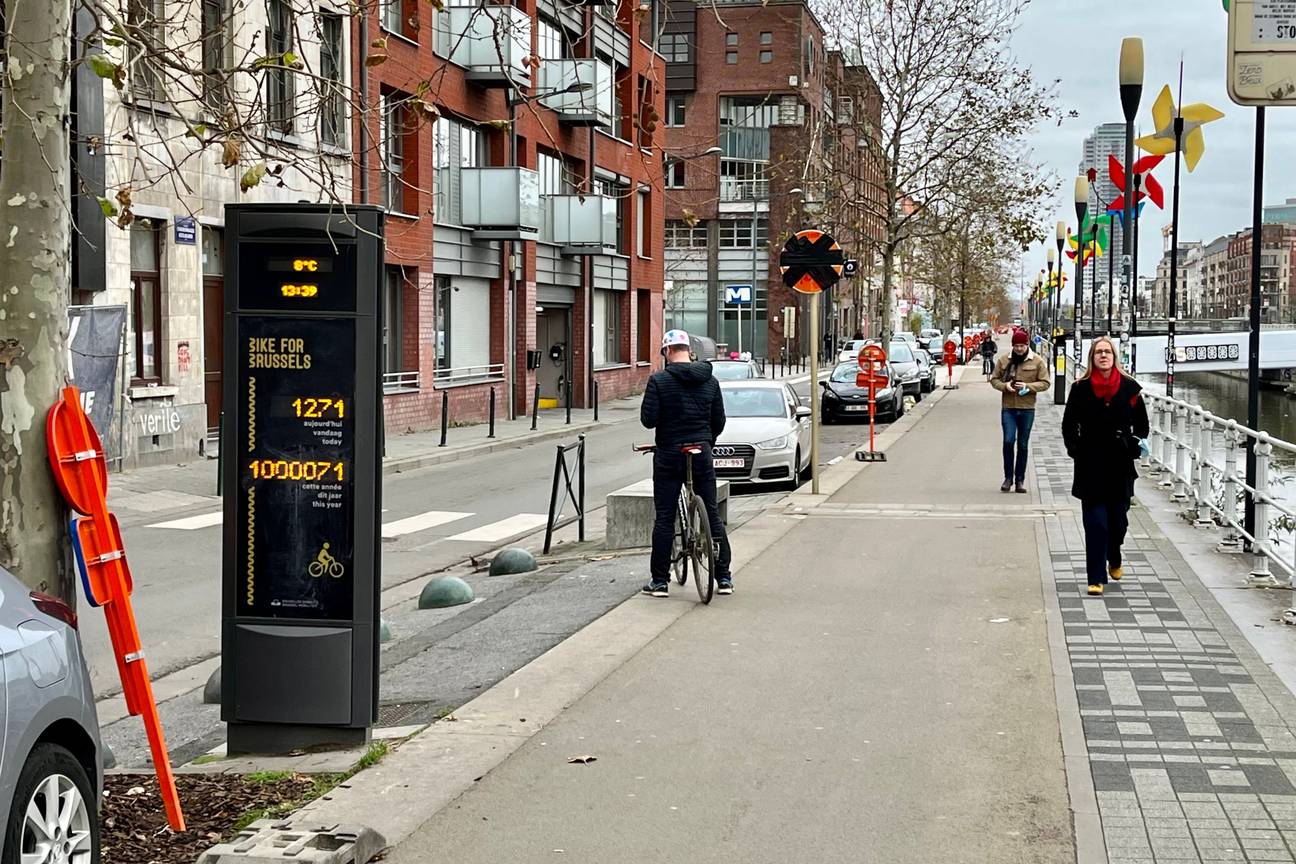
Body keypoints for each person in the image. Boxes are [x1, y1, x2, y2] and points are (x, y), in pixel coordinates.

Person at [640, 329, 733, 597]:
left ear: (667, 352)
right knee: (712, 512)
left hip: (670, 453)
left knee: (665, 517)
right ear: (689, 351)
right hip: (701, 451)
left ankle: (660, 581)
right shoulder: (710, 380)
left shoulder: (658, 381)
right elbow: (719, 421)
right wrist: (707, 441)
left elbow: (649, 420)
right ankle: (724, 576)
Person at [1062, 336, 1149, 597]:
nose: (1103, 356)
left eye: (1107, 352)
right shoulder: (1080, 388)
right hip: (1090, 463)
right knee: (1095, 523)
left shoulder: (1130, 389)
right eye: (1098, 352)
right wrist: (1075, 448)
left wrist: (1133, 445)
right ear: (1092, 358)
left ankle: (1115, 555)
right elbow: (1068, 424)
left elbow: (1142, 425)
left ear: (1114, 357)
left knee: (1118, 521)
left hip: (1120, 464)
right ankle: (1095, 577)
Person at [990, 328, 1050, 493]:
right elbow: (994, 379)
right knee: (1008, 441)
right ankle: (1008, 477)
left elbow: (1045, 383)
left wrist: (1028, 387)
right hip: (1008, 408)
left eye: (1022, 346)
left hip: (1027, 408)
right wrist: (1005, 386)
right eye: (1016, 346)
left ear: (1027, 345)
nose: (1019, 349)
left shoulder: (1037, 361)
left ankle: (1020, 480)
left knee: (1022, 445)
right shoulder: (1004, 360)